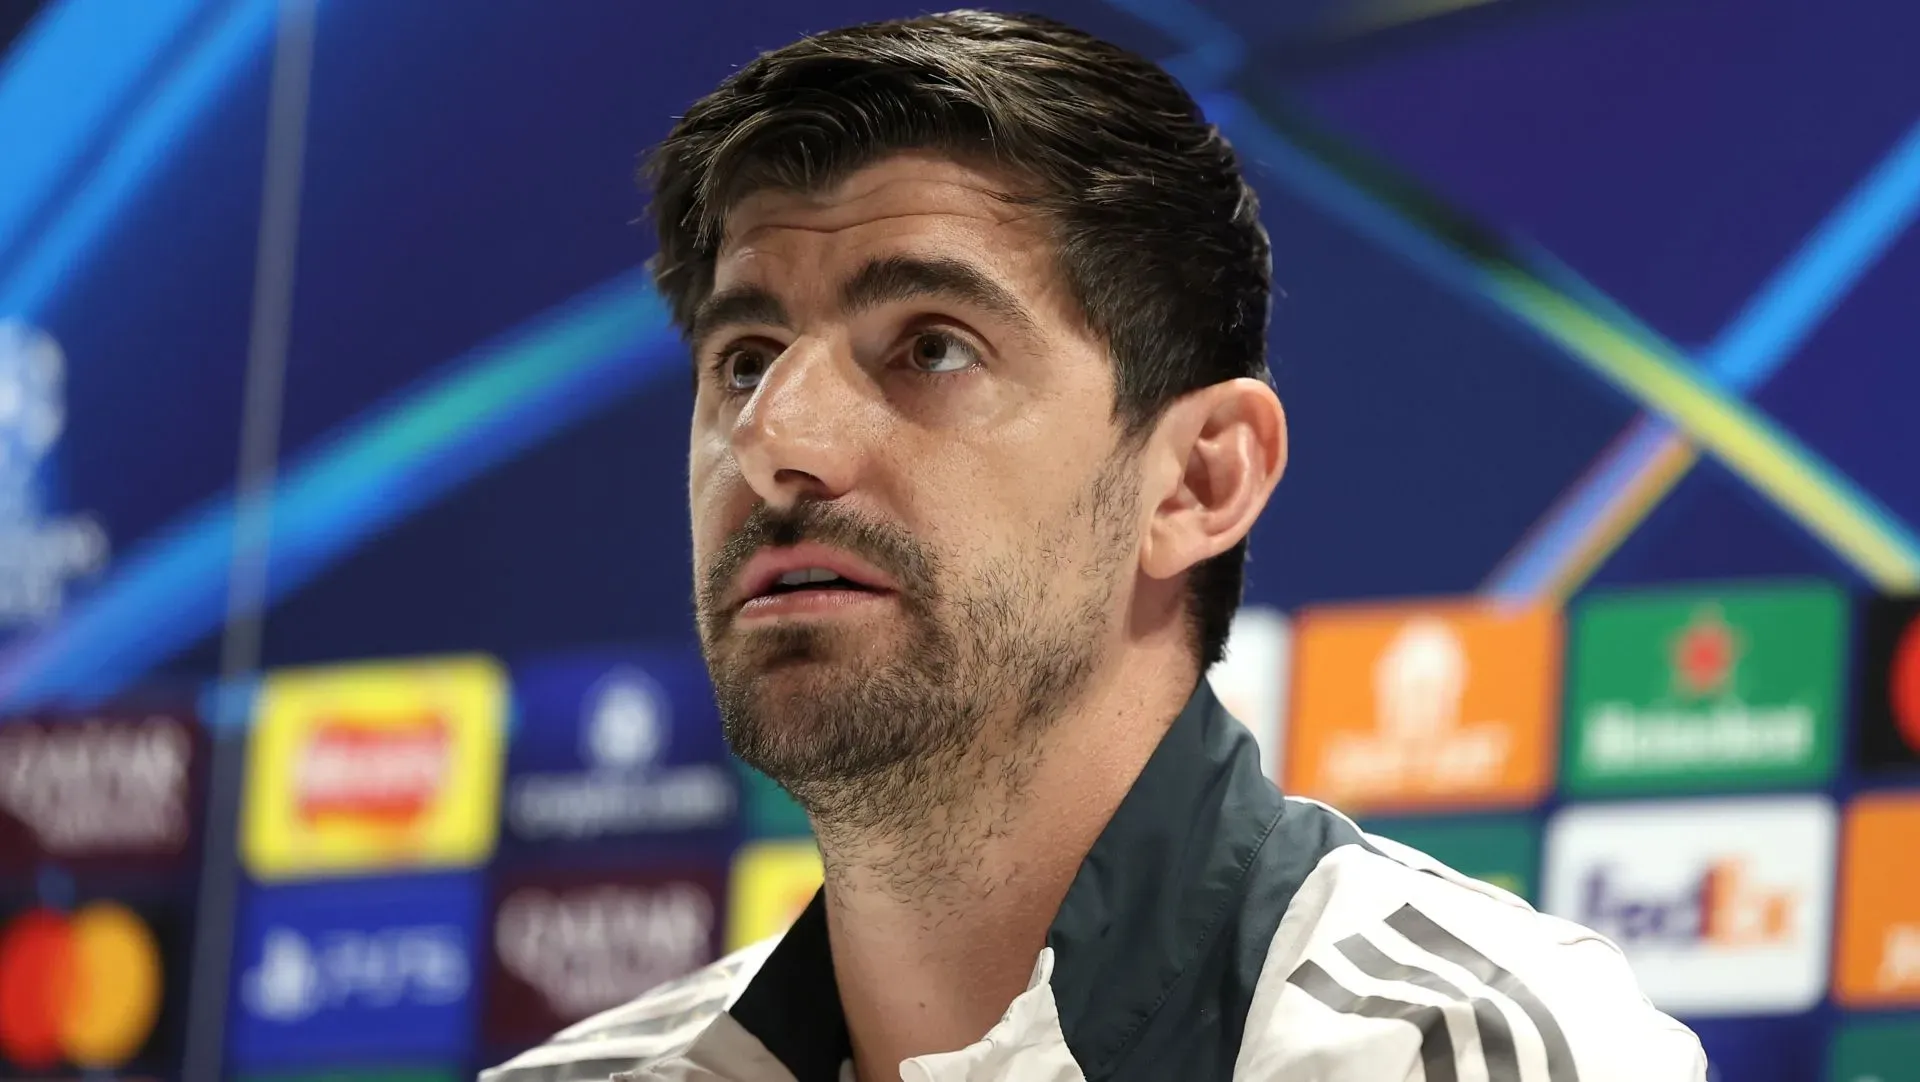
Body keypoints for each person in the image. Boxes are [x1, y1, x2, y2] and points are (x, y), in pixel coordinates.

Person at [484, 10, 1706, 1081]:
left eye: (932, 345)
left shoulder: (1452, 1052)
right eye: (744, 360)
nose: (774, 438)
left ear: (1197, 480)